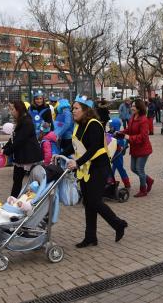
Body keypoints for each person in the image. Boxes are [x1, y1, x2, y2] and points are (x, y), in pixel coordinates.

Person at [66, 96, 127, 247]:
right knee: (88, 202)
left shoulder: (94, 125)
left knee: (94, 201)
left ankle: (118, 224)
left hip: (99, 167)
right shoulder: (78, 125)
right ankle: (90, 237)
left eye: (76, 108)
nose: (73, 111)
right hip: (86, 168)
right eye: (72, 108)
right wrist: (60, 152)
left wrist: (77, 162)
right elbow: (75, 146)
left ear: (85, 109)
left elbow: (94, 148)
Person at [0, 100, 43, 197]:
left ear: (18, 109)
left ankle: (36, 201)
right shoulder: (20, 121)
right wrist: (3, 148)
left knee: (34, 181)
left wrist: (6, 151)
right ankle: (12, 201)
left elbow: (19, 141)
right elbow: (13, 138)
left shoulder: (26, 122)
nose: (11, 112)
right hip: (22, 156)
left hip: (30, 157)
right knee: (17, 180)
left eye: (12, 109)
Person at [119, 99, 154, 197]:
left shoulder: (143, 120)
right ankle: (149, 180)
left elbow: (143, 137)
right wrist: (121, 133)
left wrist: (129, 137)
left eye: (134, 106)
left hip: (143, 148)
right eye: (132, 106)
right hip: (135, 147)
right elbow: (129, 129)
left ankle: (143, 190)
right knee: (133, 168)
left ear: (139, 108)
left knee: (139, 169)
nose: (132, 107)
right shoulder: (133, 117)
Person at [108, 118, 131, 188]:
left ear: (115, 126)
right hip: (111, 154)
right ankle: (110, 180)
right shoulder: (110, 133)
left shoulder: (119, 135)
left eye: (110, 126)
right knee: (111, 168)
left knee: (120, 169)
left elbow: (121, 143)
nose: (109, 127)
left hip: (118, 155)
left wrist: (114, 141)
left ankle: (127, 183)